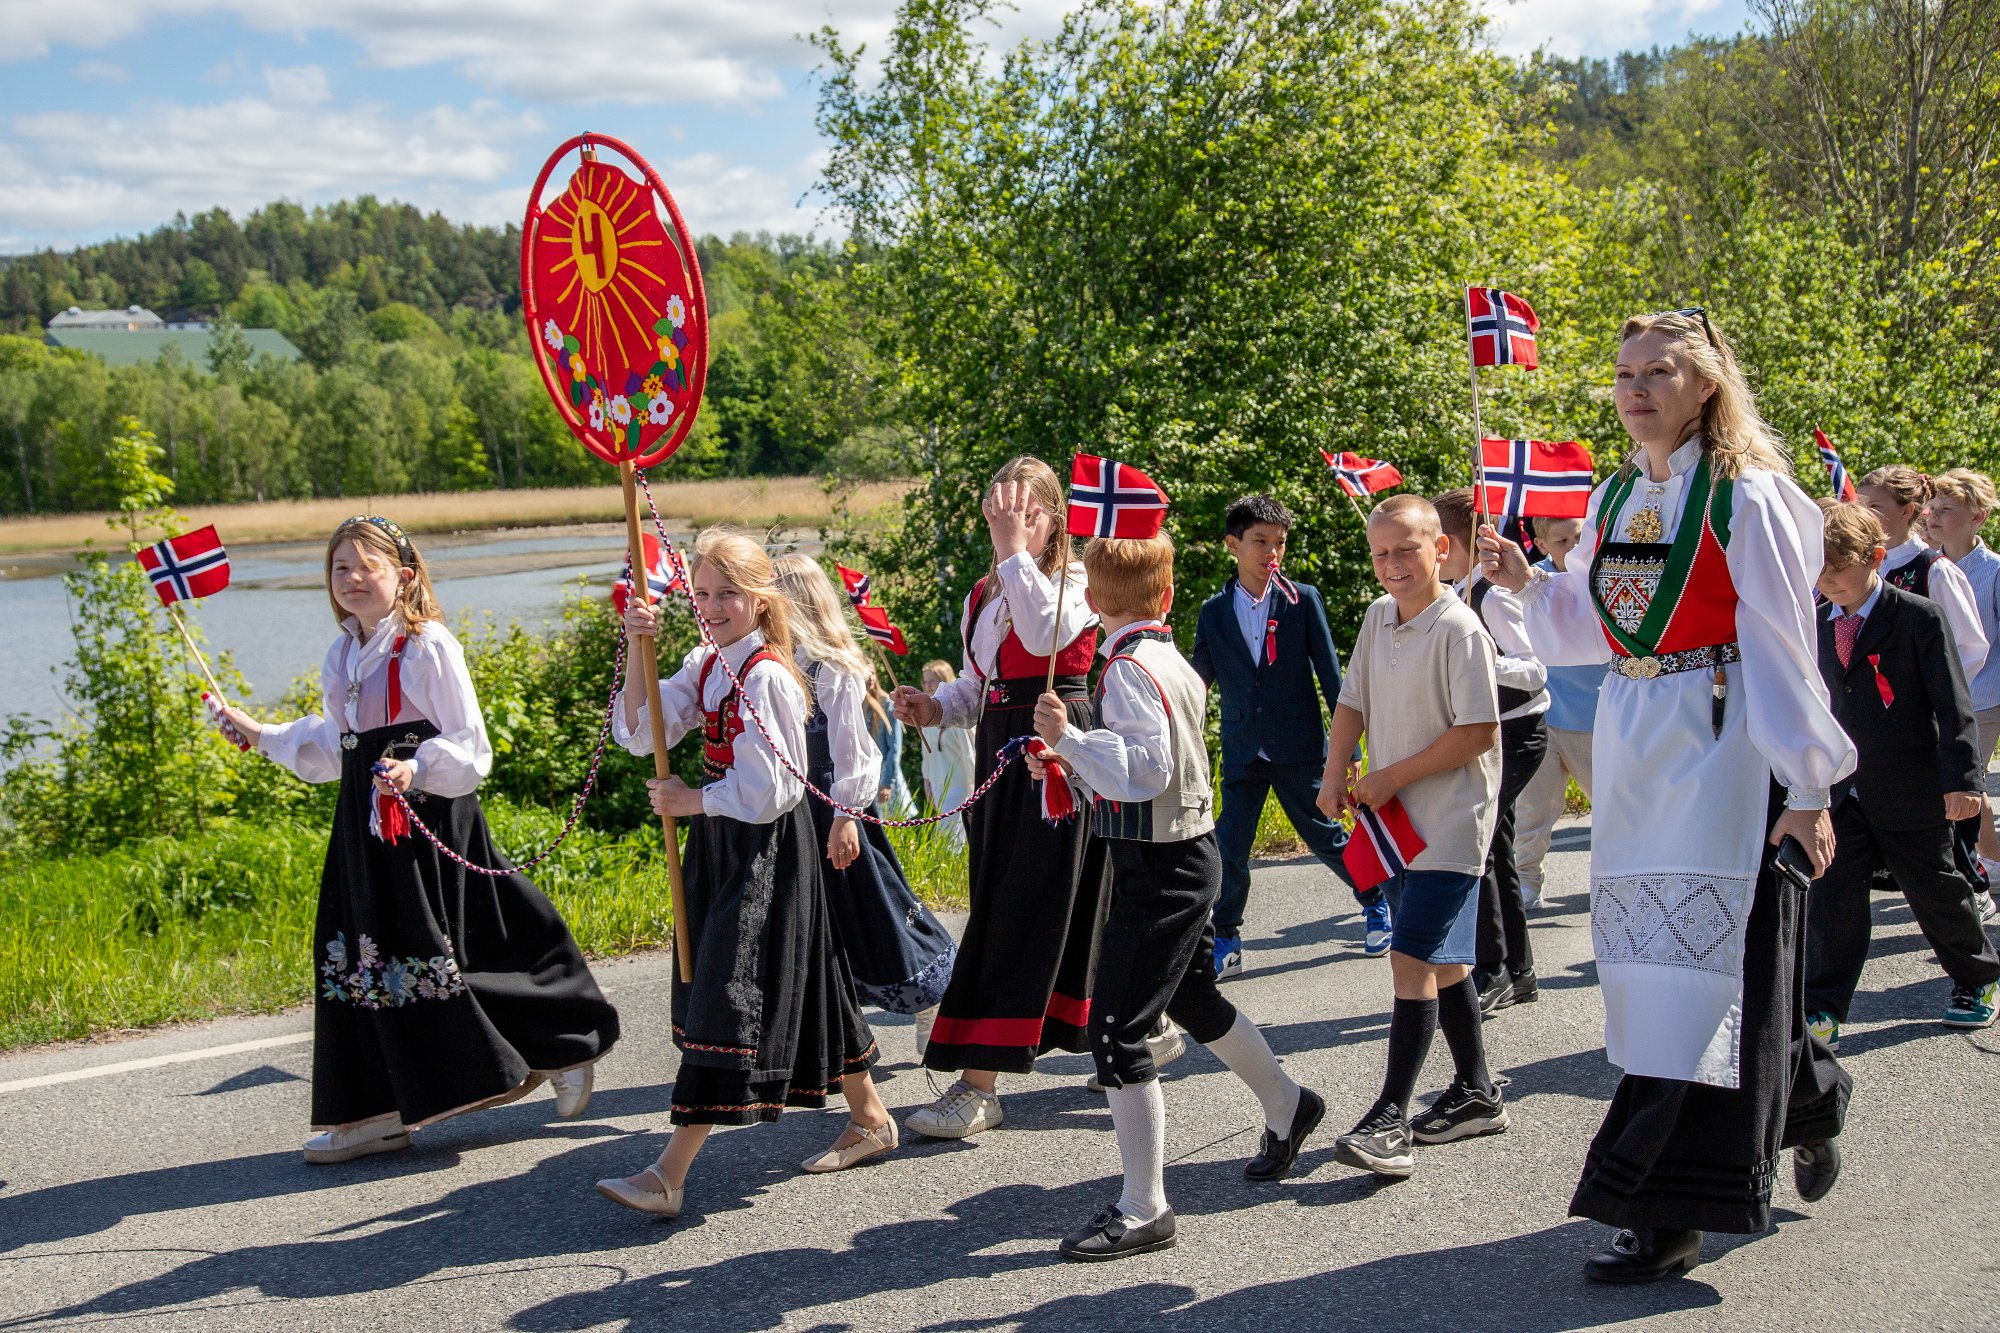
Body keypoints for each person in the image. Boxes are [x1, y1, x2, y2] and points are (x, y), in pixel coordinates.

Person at [1478, 308, 1856, 1284]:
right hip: (1637, 740)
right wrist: (1526, 584)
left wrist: (1807, 784)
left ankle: (1666, 1208)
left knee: (1703, 973)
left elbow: (1783, 643)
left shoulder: (1748, 495)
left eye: (1658, 371)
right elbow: (1587, 629)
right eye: (1624, 373)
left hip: (1725, 741)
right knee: (1666, 965)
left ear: (1706, 385)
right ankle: (1807, 1096)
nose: (1635, 388)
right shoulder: (1614, 494)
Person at [219, 516, 619, 1165]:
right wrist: (259, 733)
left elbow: (470, 744)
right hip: (366, 825)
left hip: (428, 818)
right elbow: (337, 746)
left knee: (459, 947)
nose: (351, 578)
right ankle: (374, 1111)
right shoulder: (343, 653)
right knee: (362, 956)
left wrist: (417, 767)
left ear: (403, 575)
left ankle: (562, 1046)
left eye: (366, 566)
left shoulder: (427, 645)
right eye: (340, 567)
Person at [1024, 530, 1327, 1261]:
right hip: (1184, 854)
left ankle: (1144, 1205)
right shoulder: (1168, 659)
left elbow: (1147, 769)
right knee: (1191, 999)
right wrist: (1071, 758)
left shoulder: (1126, 668)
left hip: (1162, 866)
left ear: (1092, 603)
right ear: (1166, 596)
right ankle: (1289, 1104)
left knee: (1118, 1028)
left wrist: (1071, 742)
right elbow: (1152, 765)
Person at [595, 529, 895, 1220]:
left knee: (727, 997)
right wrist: (637, 646)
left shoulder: (765, 676)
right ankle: (871, 1117)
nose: (711, 606)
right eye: (701, 594)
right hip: (723, 845)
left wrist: (692, 800)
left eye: (727, 593)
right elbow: (639, 733)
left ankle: (668, 1173)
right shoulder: (708, 662)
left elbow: (773, 790)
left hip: (765, 849)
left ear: (761, 598)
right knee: (810, 978)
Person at [889, 457, 1120, 1140]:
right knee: (1019, 902)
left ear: (1054, 517)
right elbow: (979, 685)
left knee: (1030, 908)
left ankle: (980, 1083)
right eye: (1000, 509)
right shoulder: (984, 593)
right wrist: (935, 707)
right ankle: (1133, 1027)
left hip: (1056, 745)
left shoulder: (1076, 580)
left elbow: (1046, 634)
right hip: (1000, 746)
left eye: (1027, 510)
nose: (1010, 520)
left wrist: (1015, 553)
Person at [1316, 494, 1507, 1180]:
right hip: (1394, 826)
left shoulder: (1460, 629)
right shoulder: (1378, 616)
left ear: (1441, 550)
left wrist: (1391, 775)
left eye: (1406, 550)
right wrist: (1335, 772)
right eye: (1381, 553)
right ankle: (1477, 1092)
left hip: (1451, 825)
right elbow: (1352, 700)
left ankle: (1390, 1118)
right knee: (1444, 963)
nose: (1392, 564)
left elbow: (1478, 731)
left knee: (1410, 959)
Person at [1802, 502, 2000, 1040]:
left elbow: (1953, 704)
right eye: (1818, 570)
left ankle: (1978, 978)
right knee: (1833, 898)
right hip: (1841, 790)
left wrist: (1963, 781)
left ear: (1875, 557)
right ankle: (1822, 1005)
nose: (1827, 581)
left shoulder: (1917, 616)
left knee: (1934, 889)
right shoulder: (1815, 621)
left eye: (1838, 569)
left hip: (1910, 785)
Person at [1190, 495, 1377, 978]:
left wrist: (1350, 749)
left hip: (1298, 746)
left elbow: (1333, 678)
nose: (1272, 552)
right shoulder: (1214, 611)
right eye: (1260, 541)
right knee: (1230, 846)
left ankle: (1378, 901)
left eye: (1280, 543)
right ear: (1233, 545)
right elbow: (1197, 681)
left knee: (1325, 835)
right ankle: (1227, 936)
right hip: (1242, 749)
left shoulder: (1302, 600)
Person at [771, 554, 957, 1025]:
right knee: (810, 913)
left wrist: (846, 814)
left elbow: (853, 749)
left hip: (832, 801)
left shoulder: (831, 666)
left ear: (796, 601)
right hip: (791, 803)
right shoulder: (774, 661)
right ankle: (829, 1025)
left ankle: (928, 999)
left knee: (873, 905)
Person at [1433, 487, 1549, 1014]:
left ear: (1457, 543)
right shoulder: (1458, 593)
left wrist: (1482, 663)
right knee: (1494, 848)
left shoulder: (1494, 596)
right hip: (1491, 734)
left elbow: (1536, 669)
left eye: (1439, 542)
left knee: (1476, 844)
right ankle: (1517, 970)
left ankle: (1492, 967)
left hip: (1517, 733)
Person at [1512, 516, 1605, 909]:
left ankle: (1612, 879)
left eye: (1579, 537)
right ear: (1541, 544)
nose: (1571, 546)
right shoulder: (1530, 581)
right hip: (1545, 718)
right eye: (1561, 540)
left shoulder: (1601, 573)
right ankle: (1526, 880)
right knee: (1533, 809)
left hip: (1594, 718)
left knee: (1609, 809)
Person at [1926, 468, 2000, 916]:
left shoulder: (1993, 571)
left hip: (1983, 695)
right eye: (1931, 507)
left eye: (1946, 509)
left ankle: (1983, 865)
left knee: (1968, 780)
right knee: (1966, 780)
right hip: (1941, 697)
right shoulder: (1927, 566)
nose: (1933, 516)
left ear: (1978, 517)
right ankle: (1985, 861)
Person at [1857, 466, 1988, 679]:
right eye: (1859, 506)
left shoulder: (1934, 570)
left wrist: (1936, 690)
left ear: (1907, 510)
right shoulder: (1858, 564)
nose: (1863, 515)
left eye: (1874, 507)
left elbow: (1969, 648)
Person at [918, 659, 976, 848]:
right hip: (938, 784)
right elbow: (926, 754)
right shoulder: (926, 718)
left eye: (933, 680)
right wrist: (927, 781)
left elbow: (969, 753)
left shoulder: (958, 716)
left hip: (960, 787)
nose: (928, 685)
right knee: (944, 839)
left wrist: (973, 787)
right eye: (925, 681)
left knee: (957, 839)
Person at [867, 674, 917, 818]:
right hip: (867, 777)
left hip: (886, 774)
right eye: (865, 673)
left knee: (894, 825)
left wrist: (887, 783)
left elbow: (895, 749)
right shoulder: (855, 704)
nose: (870, 677)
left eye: (872, 672)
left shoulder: (887, 705)